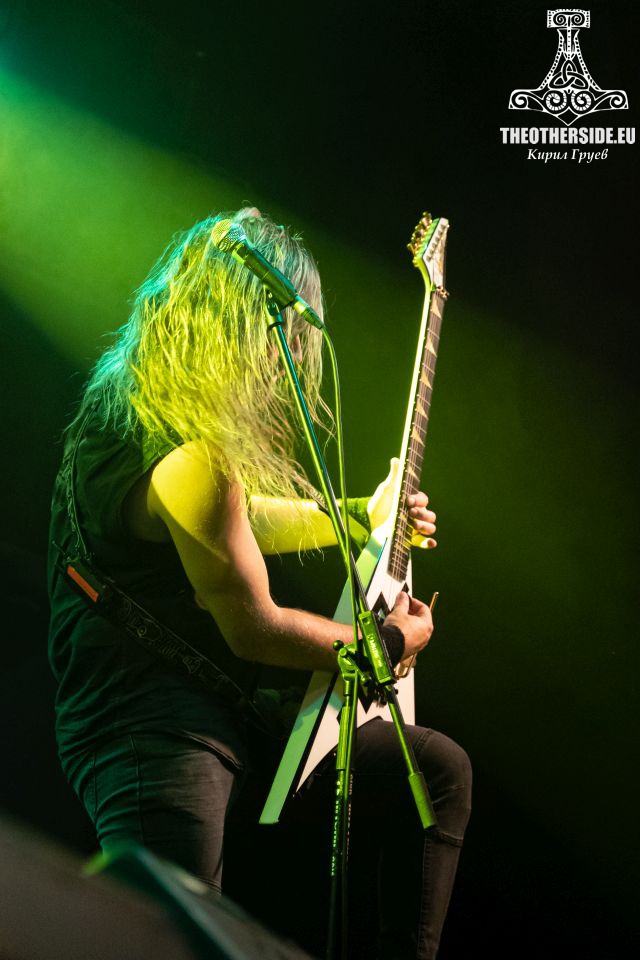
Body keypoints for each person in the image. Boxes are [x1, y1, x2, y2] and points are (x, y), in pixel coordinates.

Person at [48, 207, 471, 959]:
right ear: (245, 328)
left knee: (433, 772)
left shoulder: (153, 413)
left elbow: (231, 522)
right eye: (285, 338)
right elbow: (256, 626)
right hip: (152, 727)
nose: (287, 361)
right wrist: (384, 642)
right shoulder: (184, 452)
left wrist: (357, 515)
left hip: (225, 707)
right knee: (171, 937)